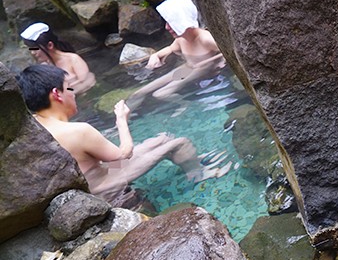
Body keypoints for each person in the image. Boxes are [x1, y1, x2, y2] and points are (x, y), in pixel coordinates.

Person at [16, 65, 229, 207]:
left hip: (93, 177)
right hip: (104, 186)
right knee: (179, 143)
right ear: (56, 94)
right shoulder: (78, 131)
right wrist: (121, 119)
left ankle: (191, 161)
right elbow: (123, 154)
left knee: (161, 139)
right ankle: (198, 174)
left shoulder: (33, 126)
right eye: (68, 88)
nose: (74, 93)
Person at [128, 0, 224, 106]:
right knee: (138, 93)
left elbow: (228, 53)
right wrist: (156, 56)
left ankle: (185, 105)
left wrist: (208, 63)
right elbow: (170, 49)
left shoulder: (205, 39)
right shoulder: (181, 39)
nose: (166, 27)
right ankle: (123, 116)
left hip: (203, 72)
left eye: (170, 23)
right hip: (187, 69)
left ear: (181, 21)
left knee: (160, 94)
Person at [20, 22, 96, 95]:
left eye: (35, 48)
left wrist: (65, 92)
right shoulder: (45, 67)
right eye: (31, 49)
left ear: (50, 45)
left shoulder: (73, 59)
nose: (33, 53)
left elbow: (89, 82)